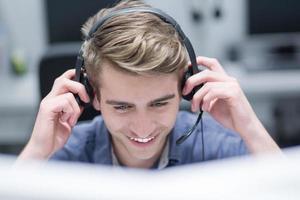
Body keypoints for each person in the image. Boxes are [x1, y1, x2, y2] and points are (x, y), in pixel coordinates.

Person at [17, 0, 280, 168]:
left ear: (186, 89)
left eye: (159, 103)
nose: (143, 128)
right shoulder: (69, 153)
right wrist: (37, 151)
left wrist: (250, 128)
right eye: (122, 107)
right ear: (92, 95)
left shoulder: (213, 143)